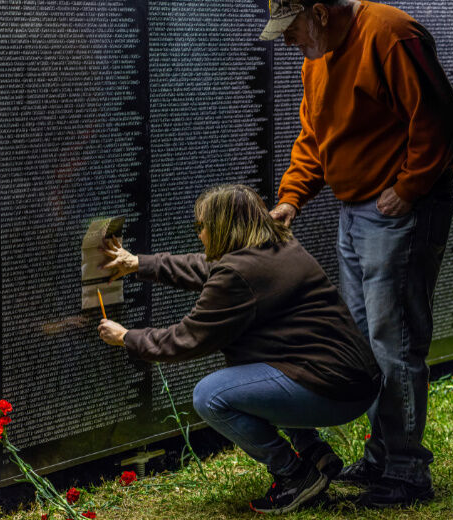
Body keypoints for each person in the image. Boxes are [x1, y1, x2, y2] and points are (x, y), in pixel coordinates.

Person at [259, 0, 453, 507]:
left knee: (394, 342)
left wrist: (410, 187)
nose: (288, 41)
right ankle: (381, 459)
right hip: (357, 213)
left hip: (398, 212)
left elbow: (439, 118)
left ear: (319, 14)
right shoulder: (319, 57)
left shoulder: (392, 34)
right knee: (369, 341)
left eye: (292, 29)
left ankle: (405, 472)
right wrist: (290, 198)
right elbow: (314, 136)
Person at [97, 184, 381, 514]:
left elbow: (186, 339)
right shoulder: (276, 246)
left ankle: (294, 474)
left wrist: (126, 337)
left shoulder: (238, 273)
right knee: (260, 362)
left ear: (222, 227)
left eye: (200, 226)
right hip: (353, 379)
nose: (199, 235)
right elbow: (205, 267)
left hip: (333, 390)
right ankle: (314, 452)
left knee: (211, 395)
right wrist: (138, 264)